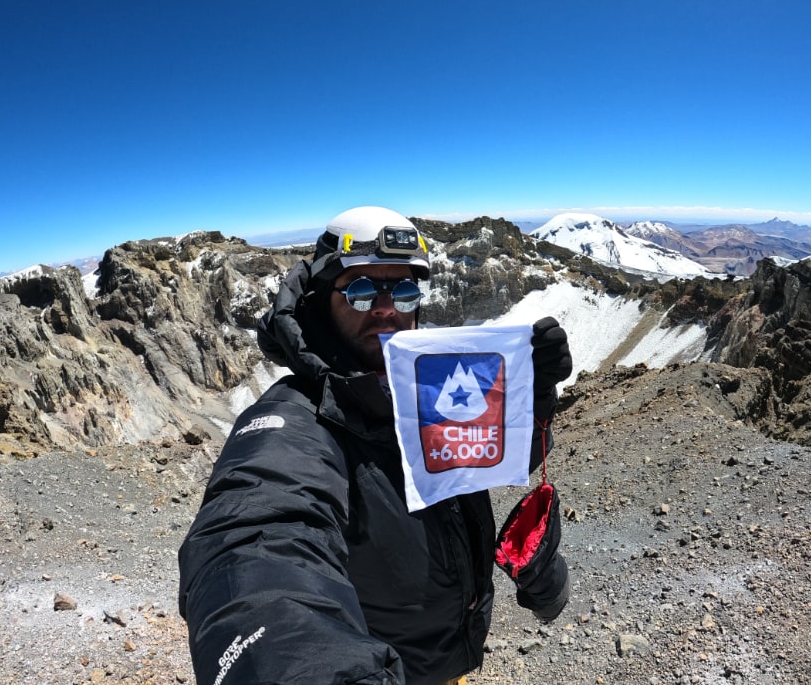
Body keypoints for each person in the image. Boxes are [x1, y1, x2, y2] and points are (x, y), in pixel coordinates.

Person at [178, 206, 573, 685]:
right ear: (324, 297)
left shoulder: (427, 382)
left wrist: (531, 404)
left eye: (404, 290)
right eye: (362, 290)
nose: (387, 307)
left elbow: (489, 461)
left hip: (446, 660)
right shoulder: (295, 418)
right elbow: (255, 542)